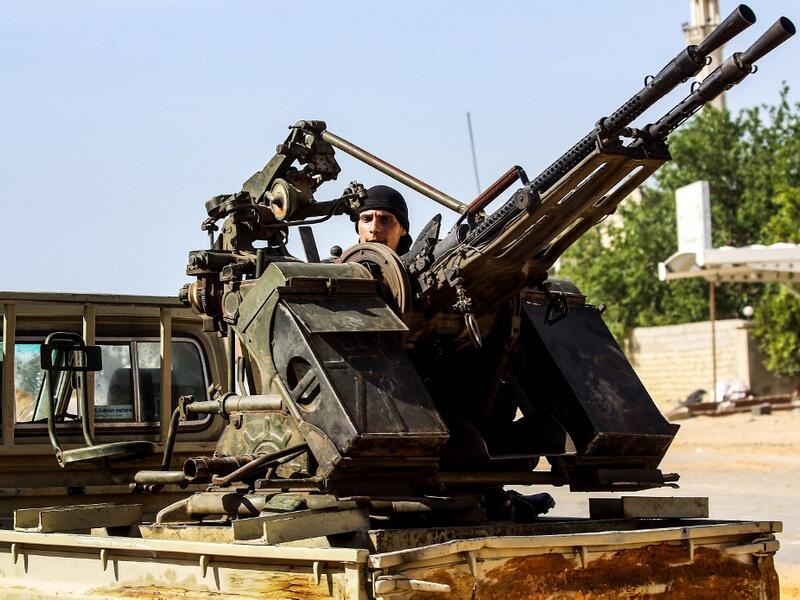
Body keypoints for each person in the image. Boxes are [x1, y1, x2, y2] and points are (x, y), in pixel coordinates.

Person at [354, 185, 413, 255]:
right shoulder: (341, 264)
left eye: (385, 220)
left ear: (402, 229)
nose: (374, 229)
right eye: (367, 219)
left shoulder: (419, 265)